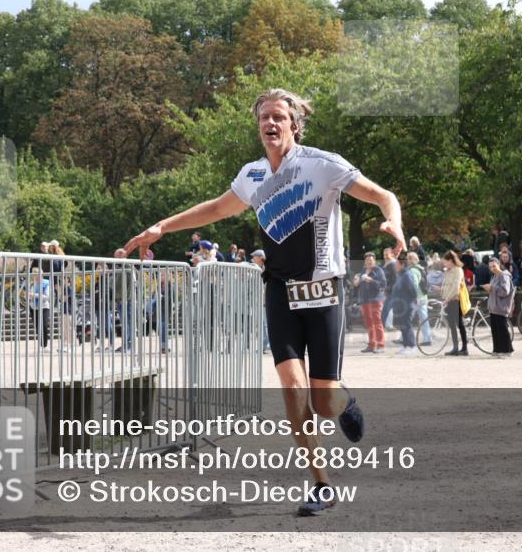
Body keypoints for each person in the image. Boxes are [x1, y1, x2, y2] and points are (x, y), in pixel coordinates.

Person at [122, 87, 405, 516]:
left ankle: (342, 401)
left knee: (322, 401)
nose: (270, 124)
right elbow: (217, 209)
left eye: (278, 117)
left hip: (324, 291)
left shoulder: (322, 166)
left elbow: (384, 195)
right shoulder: (252, 176)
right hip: (280, 291)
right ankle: (320, 484)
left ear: (294, 124)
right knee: (292, 390)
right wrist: (162, 227)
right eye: (263, 119)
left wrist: (393, 223)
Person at [354, 252, 386, 354]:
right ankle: (372, 345)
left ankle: (380, 345)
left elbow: (383, 284)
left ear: (374, 261)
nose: (369, 262)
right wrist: (357, 282)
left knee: (377, 323)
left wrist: (370, 280)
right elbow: (357, 285)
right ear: (365, 261)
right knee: (369, 324)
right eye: (367, 260)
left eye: (371, 260)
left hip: (375, 300)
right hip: (364, 301)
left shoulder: (379, 271)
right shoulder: (363, 270)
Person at [389, 254, 420, 355]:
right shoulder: (401, 275)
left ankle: (411, 346)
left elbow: (412, 289)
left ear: (402, 265)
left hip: (407, 305)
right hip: (400, 306)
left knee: (407, 325)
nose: (395, 266)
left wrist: (414, 300)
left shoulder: (407, 275)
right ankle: (406, 345)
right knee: (403, 326)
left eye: (397, 264)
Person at [486, 257, 515, 357]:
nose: (492, 268)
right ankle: (497, 350)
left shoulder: (504, 276)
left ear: (498, 264)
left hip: (501, 307)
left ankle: (507, 350)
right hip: (494, 307)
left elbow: (505, 291)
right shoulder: (494, 276)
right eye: (490, 267)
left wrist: (492, 288)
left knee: (502, 330)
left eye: (494, 266)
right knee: (495, 330)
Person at [441, 251, 468, 356]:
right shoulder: (448, 271)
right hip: (448, 301)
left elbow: (455, 287)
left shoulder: (458, 270)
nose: (444, 264)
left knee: (459, 324)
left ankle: (465, 348)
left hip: (455, 300)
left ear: (451, 260)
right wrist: (443, 296)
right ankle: (455, 347)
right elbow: (446, 285)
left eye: (445, 262)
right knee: (452, 325)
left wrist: (447, 298)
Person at [405, 252, 431, 346]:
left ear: (411, 260)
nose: (406, 261)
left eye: (408, 259)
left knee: (407, 318)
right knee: (424, 318)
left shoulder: (412, 270)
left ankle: (404, 338)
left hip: (416, 298)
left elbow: (414, 284)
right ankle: (427, 339)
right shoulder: (421, 269)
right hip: (423, 297)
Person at [28, 267, 52, 348]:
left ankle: (45, 345)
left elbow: (47, 296)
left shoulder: (46, 283)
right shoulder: (33, 284)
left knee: (44, 326)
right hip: (33, 308)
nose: (35, 277)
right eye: (34, 275)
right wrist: (29, 297)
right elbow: (30, 295)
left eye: (36, 275)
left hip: (44, 307)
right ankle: (41, 345)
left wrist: (34, 295)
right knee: (38, 327)